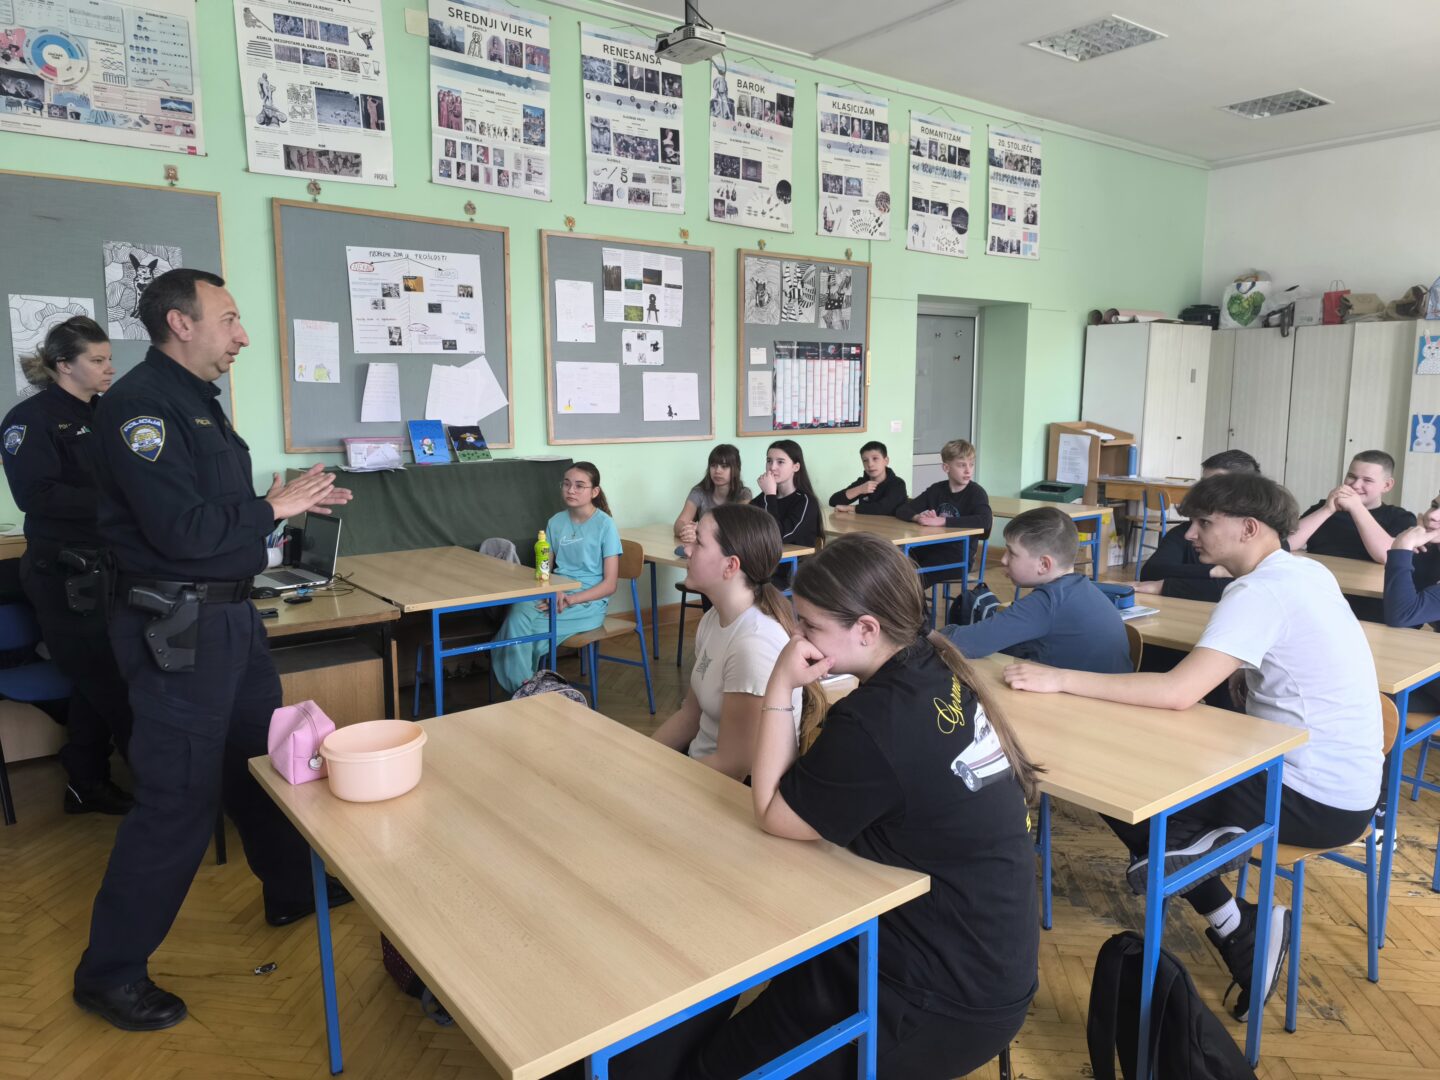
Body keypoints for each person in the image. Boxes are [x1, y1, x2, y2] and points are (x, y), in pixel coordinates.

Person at [71, 269, 355, 1032]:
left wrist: (284, 501)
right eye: (229, 319)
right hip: (181, 630)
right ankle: (109, 974)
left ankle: (291, 890)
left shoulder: (197, 402)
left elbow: (216, 514)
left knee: (260, 764)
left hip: (229, 618)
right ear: (181, 323)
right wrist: (270, 506)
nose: (243, 336)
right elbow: (180, 533)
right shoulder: (140, 409)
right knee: (178, 800)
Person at [1004, 472, 1382, 1019]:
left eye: (1204, 522)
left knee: (1119, 785)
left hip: (1309, 797)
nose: (1190, 534)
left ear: (1249, 528)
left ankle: (1225, 907)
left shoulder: (1259, 591)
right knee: (1141, 767)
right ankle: (1219, 892)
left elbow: (1177, 693)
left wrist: (1058, 677)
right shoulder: (1303, 571)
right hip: (1345, 786)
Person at [687, 532, 1040, 1077]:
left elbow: (773, 811)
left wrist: (781, 683)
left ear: (868, 629)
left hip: (939, 997)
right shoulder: (931, 664)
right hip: (975, 957)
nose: (796, 636)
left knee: (715, 1068)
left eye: (809, 625)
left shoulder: (877, 721)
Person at [0, 316, 133, 815]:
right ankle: (166, 794)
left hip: (111, 566)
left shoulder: (108, 413)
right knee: (110, 681)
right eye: (96, 360)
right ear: (63, 365)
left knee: (96, 679)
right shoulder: (28, 419)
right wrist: (120, 502)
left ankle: (86, 782)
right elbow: (36, 495)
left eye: (108, 358)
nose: (109, 368)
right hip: (64, 575)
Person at [650, 504, 806, 779]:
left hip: (731, 789)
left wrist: (659, 775)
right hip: (700, 769)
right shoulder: (714, 618)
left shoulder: (754, 644)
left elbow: (733, 766)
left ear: (730, 566)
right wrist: (641, 756)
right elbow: (689, 716)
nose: (686, 550)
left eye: (699, 543)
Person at [944, 507, 1130, 673]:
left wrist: (932, 632)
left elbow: (963, 643)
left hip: (1081, 700)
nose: (1003, 560)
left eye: (1012, 553)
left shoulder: (1048, 602)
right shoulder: (1082, 587)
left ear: (1044, 564)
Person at [491, 462, 620, 693]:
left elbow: (610, 585)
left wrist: (572, 599)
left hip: (587, 601)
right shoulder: (555, 522)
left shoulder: (605, 525)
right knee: (518, 613)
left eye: (579, 486)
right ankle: (527, 691)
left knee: (519, 633)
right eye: (567, 484)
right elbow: (546, 572)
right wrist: (554, 590)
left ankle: (523, 690)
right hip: (556, 592)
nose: (571, 490)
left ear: (594, 492)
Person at [1136, 449, 1261, 601]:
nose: (1203, 492)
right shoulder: (1185, 531)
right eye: (1203, 483)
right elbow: (1151, 572)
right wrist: (1214, 571)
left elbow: (1246, 591)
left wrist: (1163, 586)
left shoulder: (1267, 542)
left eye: (1215, 485)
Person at [894, 437, 991, 581]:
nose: (968, 470)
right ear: (946, 468)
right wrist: (918, 517)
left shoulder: (976, 493)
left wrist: (942, 521)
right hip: (932, 547)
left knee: (913, 577)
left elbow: (985, 521)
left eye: (971, 465)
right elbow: (902, 509)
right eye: (961, 465)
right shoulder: (937, 490)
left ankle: (911, 595)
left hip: (958, 556)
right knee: (895, 562)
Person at [750, 439, 823, 585]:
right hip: (766, 565)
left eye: (780, 462)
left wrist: (770, 495)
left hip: (793, 571)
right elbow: (745, 523)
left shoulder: (806, 502)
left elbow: (778, 536)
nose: (772, 467)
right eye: (769, 461)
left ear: (796, 467)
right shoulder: (766, 497)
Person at [672, 444, 751, 545]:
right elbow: (679, 524)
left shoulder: (744, 495)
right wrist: (687, 531)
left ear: (736, 469)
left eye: (724, 466)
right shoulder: (699, 492)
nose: (717, 471)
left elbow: (735, 531)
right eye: (713, 465)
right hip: (703, 548)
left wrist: (700, 530)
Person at [1384, 492, 1440, 632]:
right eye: (1434, 506)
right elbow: (1409, 621)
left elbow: (1401, 615)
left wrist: (1402, 547)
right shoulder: (1429, 551)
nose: (1432, 515)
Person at [828, 439, 907, 516]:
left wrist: (849, 508)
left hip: (891, 525)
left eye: (875, 458)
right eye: (865, 460)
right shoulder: (863, 482)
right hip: (865, 524)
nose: (870, 464)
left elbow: (884, 508)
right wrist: (859, 490)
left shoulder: (898, 484)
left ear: (886, 461)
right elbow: (833, 501)